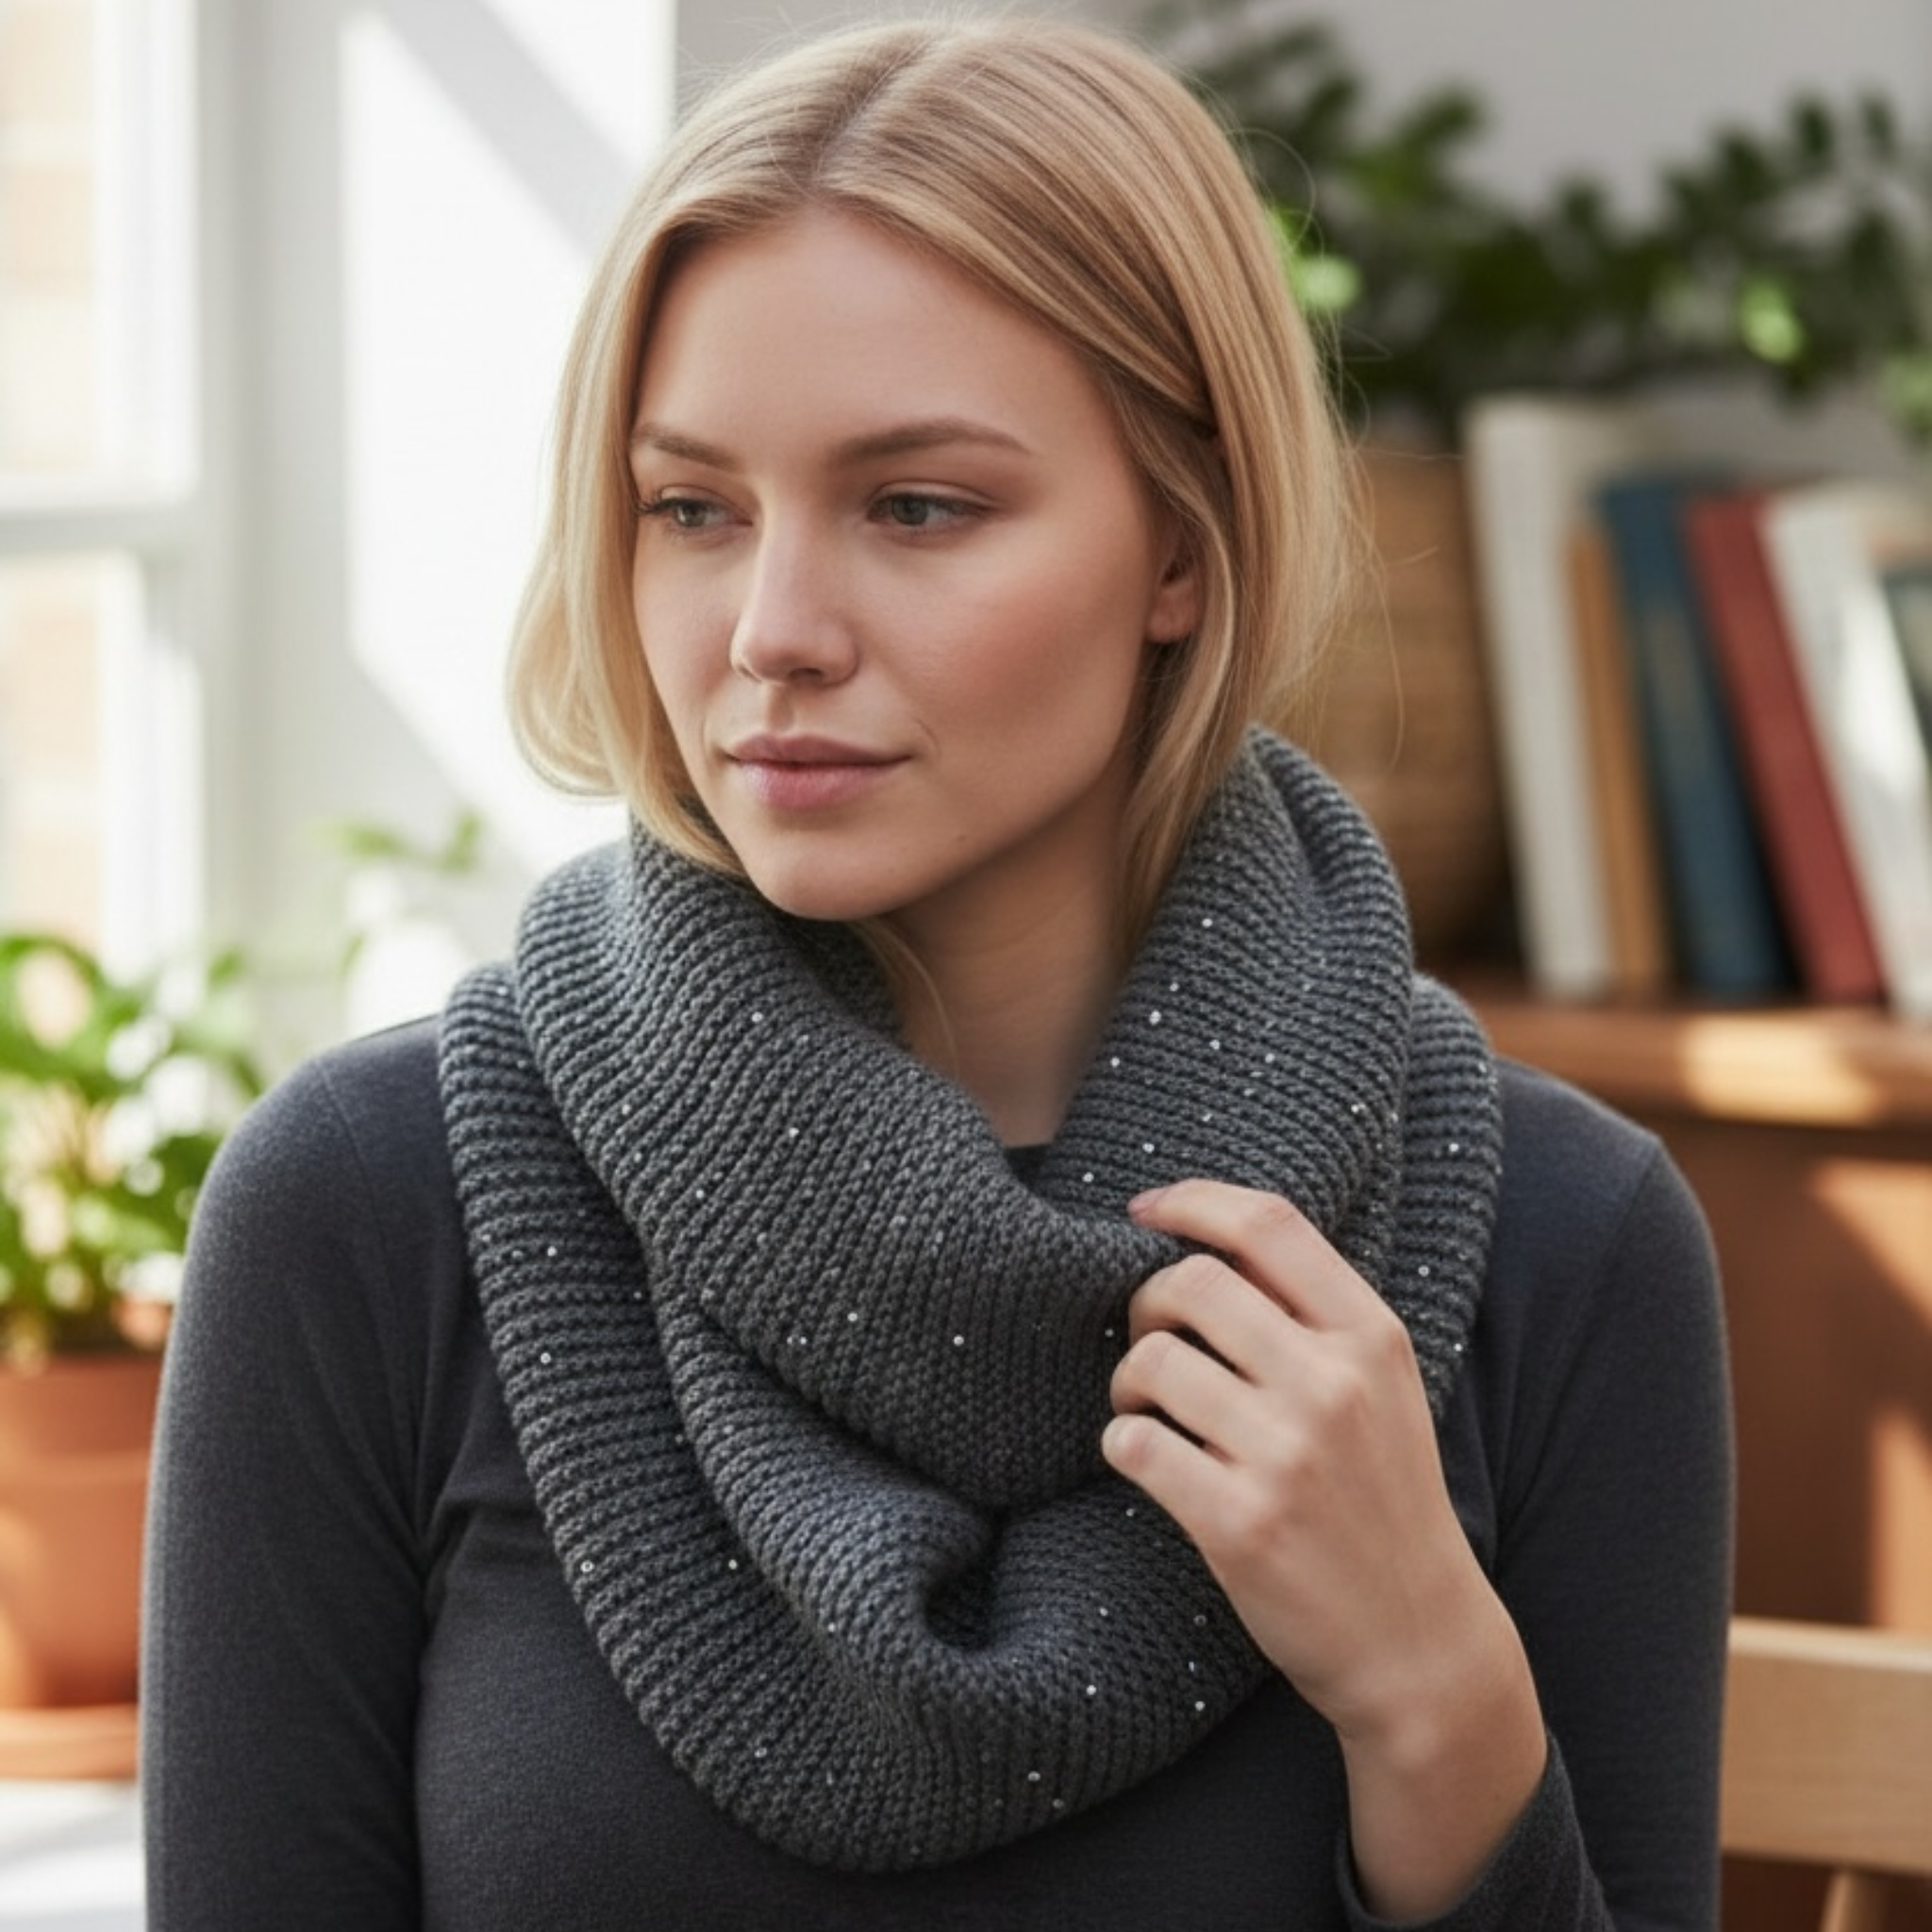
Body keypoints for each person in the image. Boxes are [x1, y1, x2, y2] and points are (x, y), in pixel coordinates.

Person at [142, 17, 1732, 1930]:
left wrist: (1430, 1690)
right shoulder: (366, 1214)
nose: (770, 630)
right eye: (689, 507)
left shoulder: (1566, 1246)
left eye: (916, 507)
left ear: (1182, 543)